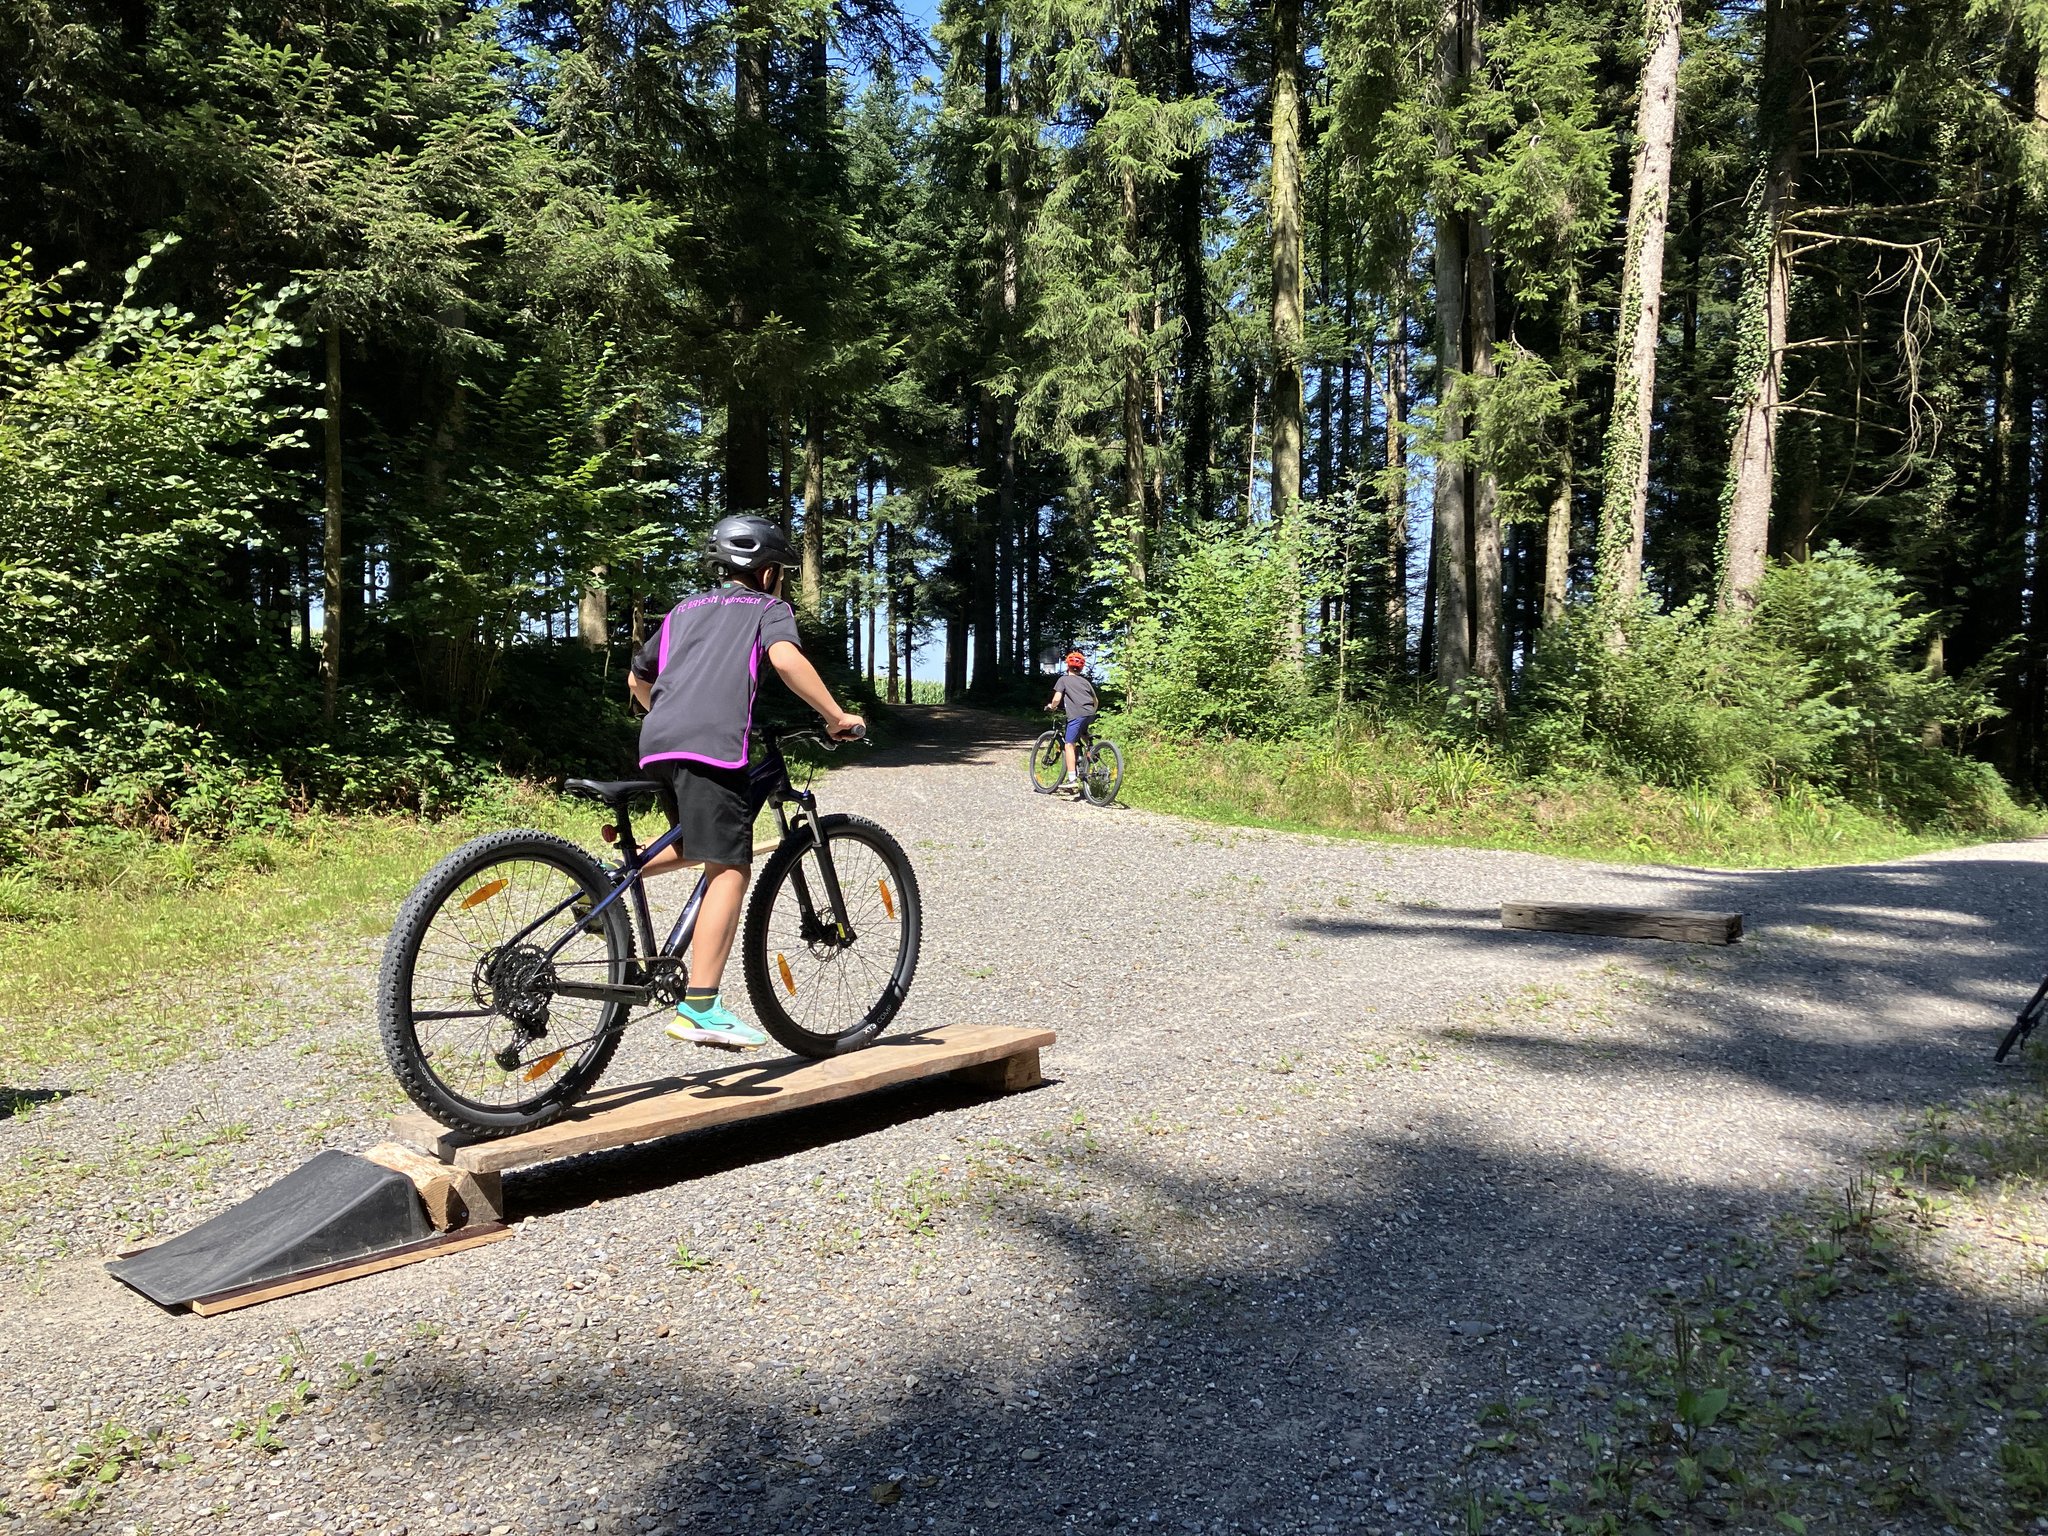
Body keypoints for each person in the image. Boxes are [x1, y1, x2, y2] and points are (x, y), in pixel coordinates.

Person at [628, 515, 865, 1050]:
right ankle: (701, 1007)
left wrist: (667, 715)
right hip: (711, 746)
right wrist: (835, 716)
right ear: (766, 571)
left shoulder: (683, 609)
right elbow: (785, 658)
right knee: (730, 867)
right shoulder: (767, 608)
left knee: (701, 842)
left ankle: (604, 878)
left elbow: (638, 678)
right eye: (779, 571)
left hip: (656, 742)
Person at [1044, 649, 1098, 794]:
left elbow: (1057, 698)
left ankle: (1072, 780)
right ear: (1081, 668)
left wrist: (1052, 706)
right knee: (1082, 734)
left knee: (1069, 745)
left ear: (1068, 665)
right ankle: (1092, 753)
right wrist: (1090, 712)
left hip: (1076, 714)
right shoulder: (1086, 682)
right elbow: (1095, 701)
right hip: (1090, 713)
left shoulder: (1063, 680)